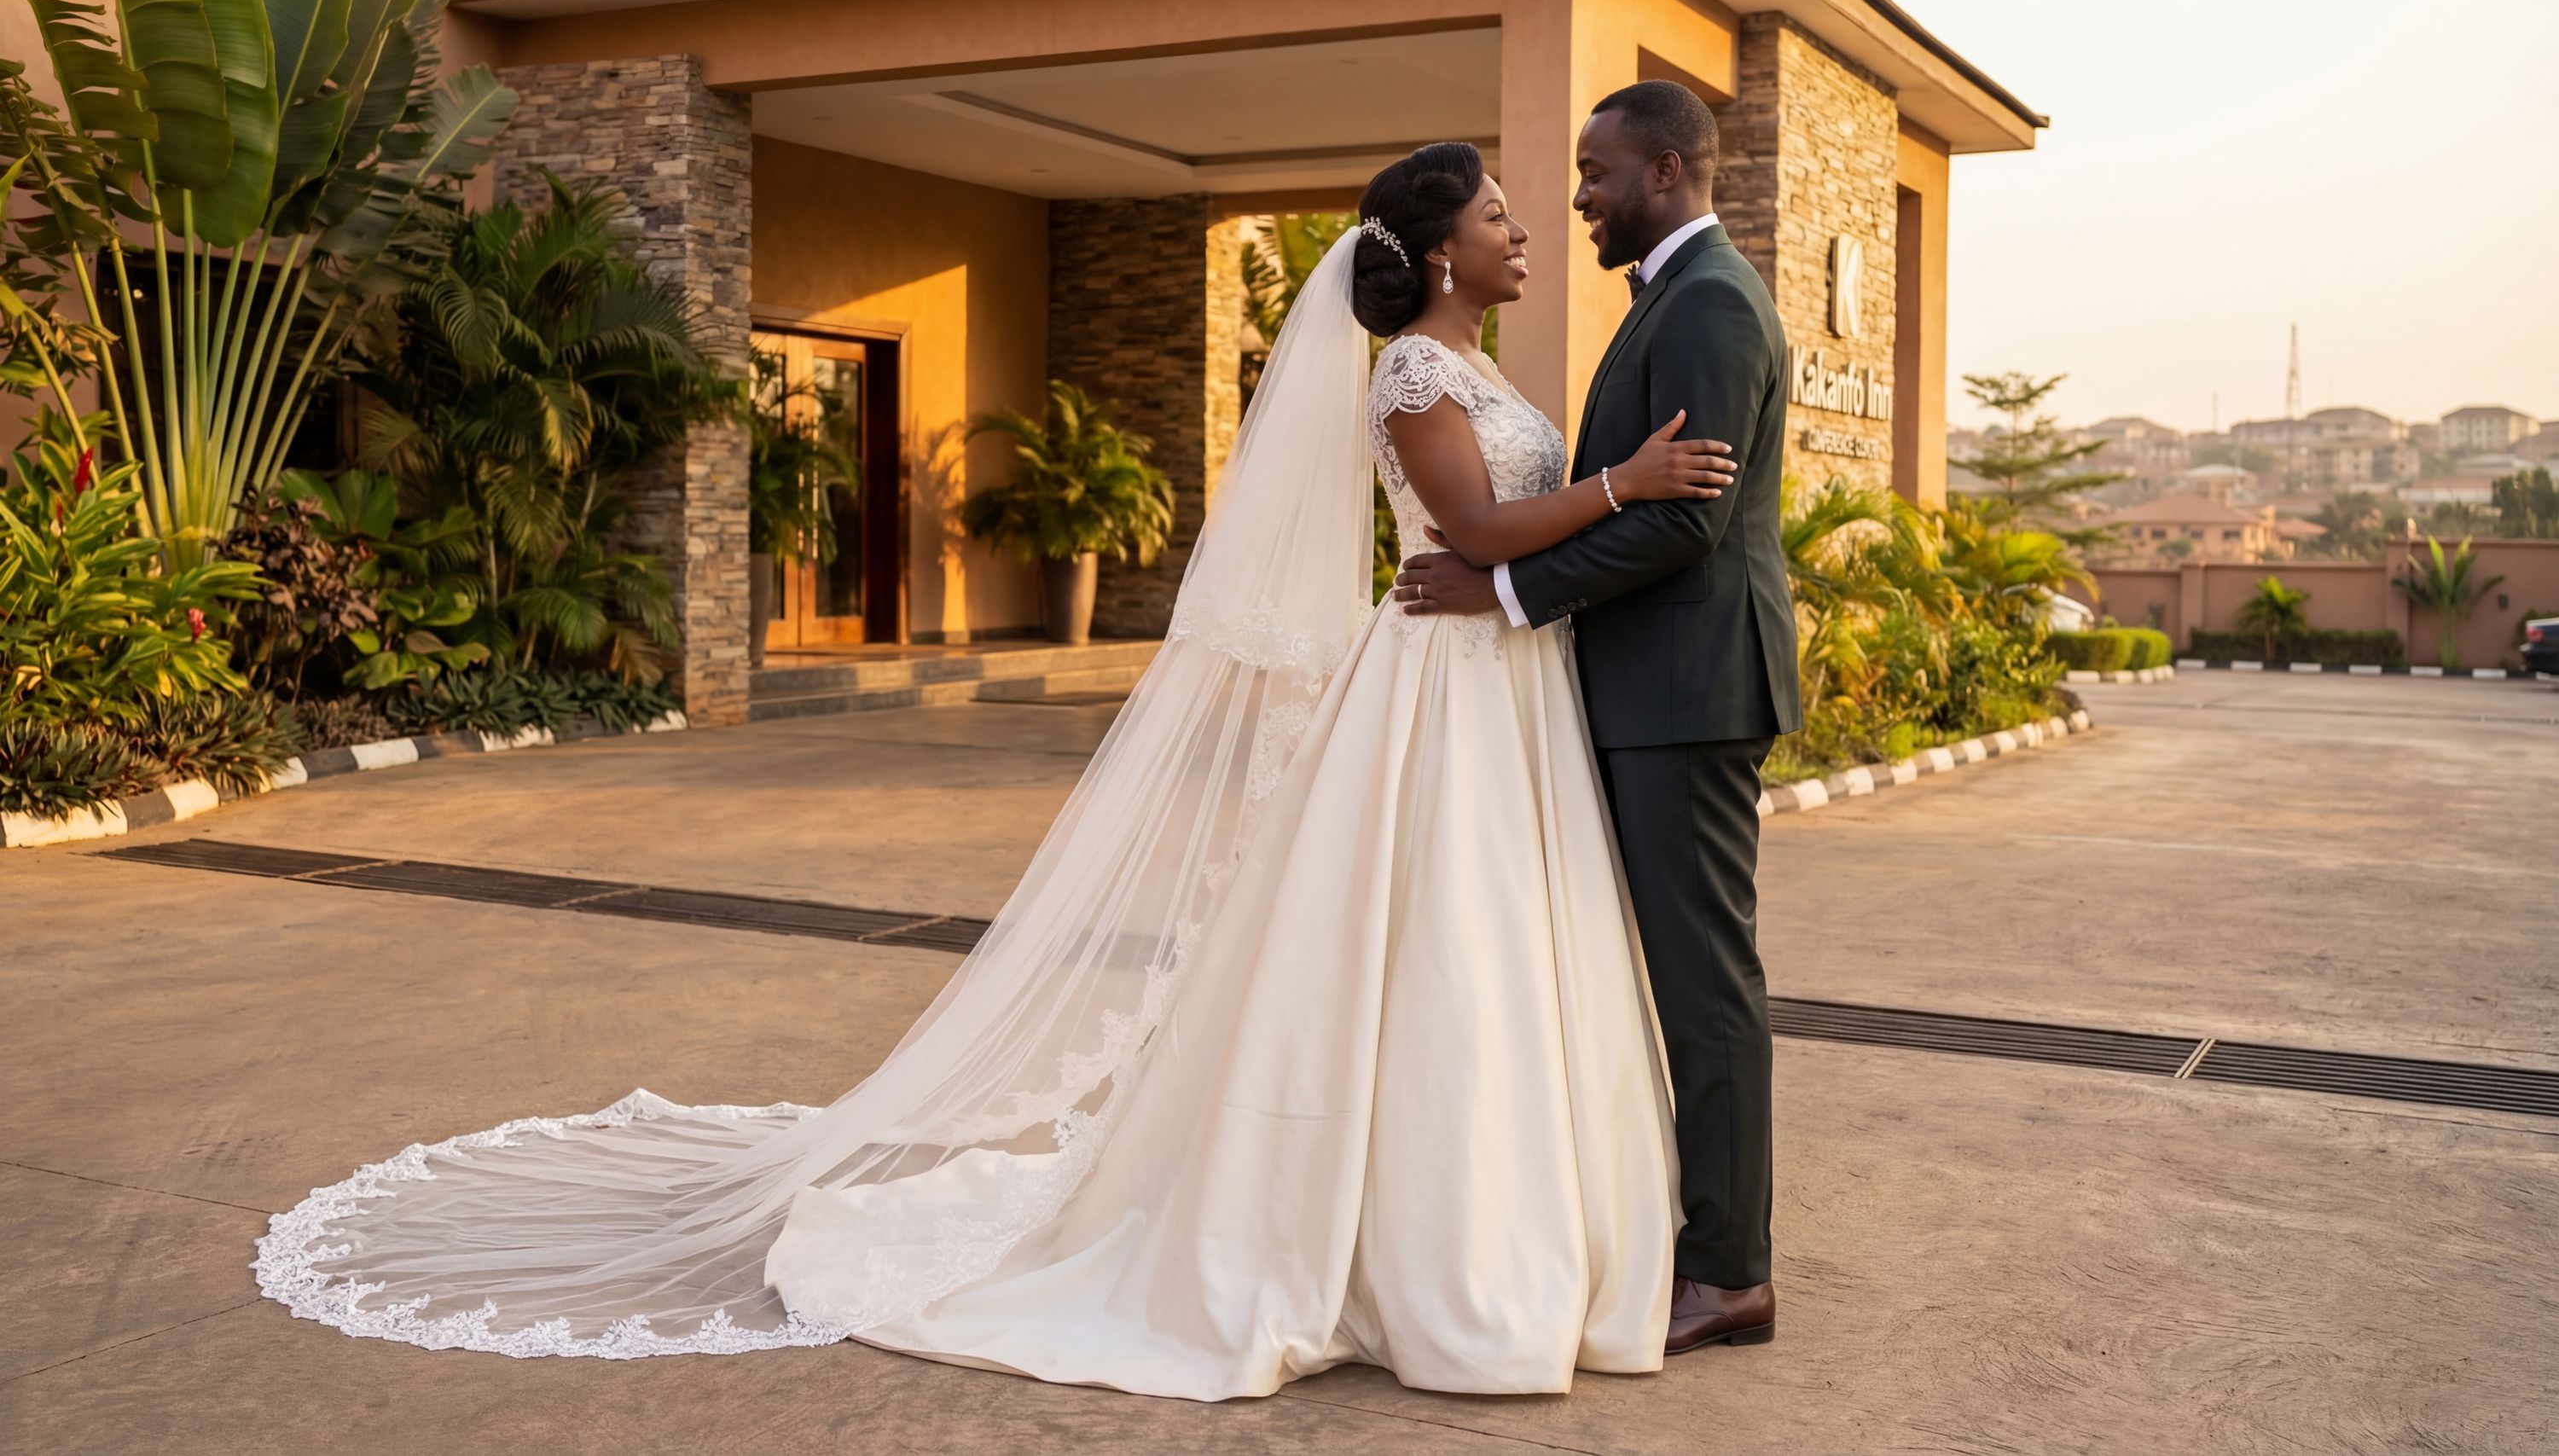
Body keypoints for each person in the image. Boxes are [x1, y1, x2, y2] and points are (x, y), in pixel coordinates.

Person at [252, 140, 1747, 1399]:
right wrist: (1626, 483)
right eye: (1494, 213)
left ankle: (1517, 1216)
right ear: (1435, 253)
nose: (1523, 226)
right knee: (1428, 949)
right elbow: (1475, 536)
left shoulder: (1474, 360)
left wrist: (1593, 504)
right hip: (1437, 685)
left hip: (1507, 685)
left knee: (1496, 953)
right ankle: (1409, 1244)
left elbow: (1504, 538)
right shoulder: (1415, 372)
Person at [1392, 80, 1801, 1352]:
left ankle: (1729, 1270)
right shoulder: (1673, 302)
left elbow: (1687, 520)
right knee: (1654, 972)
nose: (1578, 199)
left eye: (1596, 173)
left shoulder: (1713, 307)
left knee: (1703, 978)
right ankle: (1675, 1235)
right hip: (1642, 690)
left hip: (1685, 692)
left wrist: (1501, 585)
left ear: (1667, 172)